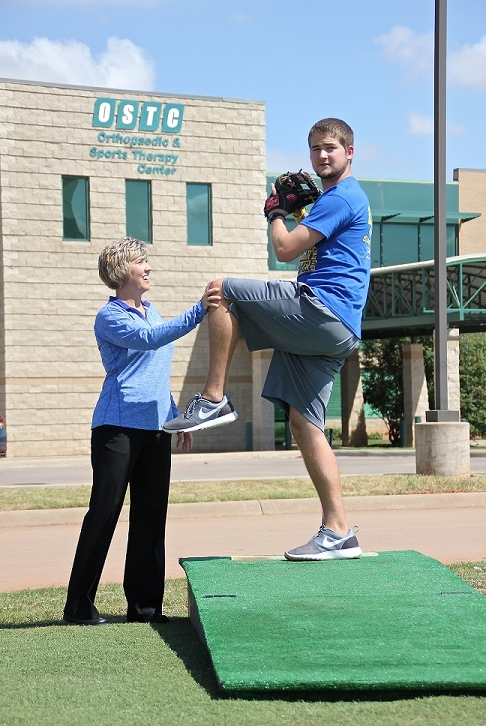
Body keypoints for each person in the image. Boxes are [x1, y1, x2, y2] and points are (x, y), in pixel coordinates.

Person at [163, 118, 372, 562]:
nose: (321, 156)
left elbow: (285, 249)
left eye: (330, 148)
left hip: (322, 310)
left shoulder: (343, 196)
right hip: (334, 331)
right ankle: (338, 532)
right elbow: (314, 242)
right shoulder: (329, 202)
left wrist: (276, 211)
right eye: (315, 148)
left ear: (350, 152)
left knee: (222, 290)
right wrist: (299, 209)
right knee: (304, 424)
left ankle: (213, 398)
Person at [63, 237, 220, 625]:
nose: (148, 267)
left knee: (151, 516)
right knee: (104, 513)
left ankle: (145, 607)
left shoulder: (153, 311)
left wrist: (174, 419)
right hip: (117, 428)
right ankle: (78, 606)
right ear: (121, 272)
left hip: (155, 429)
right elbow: (150, 341)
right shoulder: (110, 316)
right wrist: (199, 311)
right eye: (140, 261)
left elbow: (155, 375)